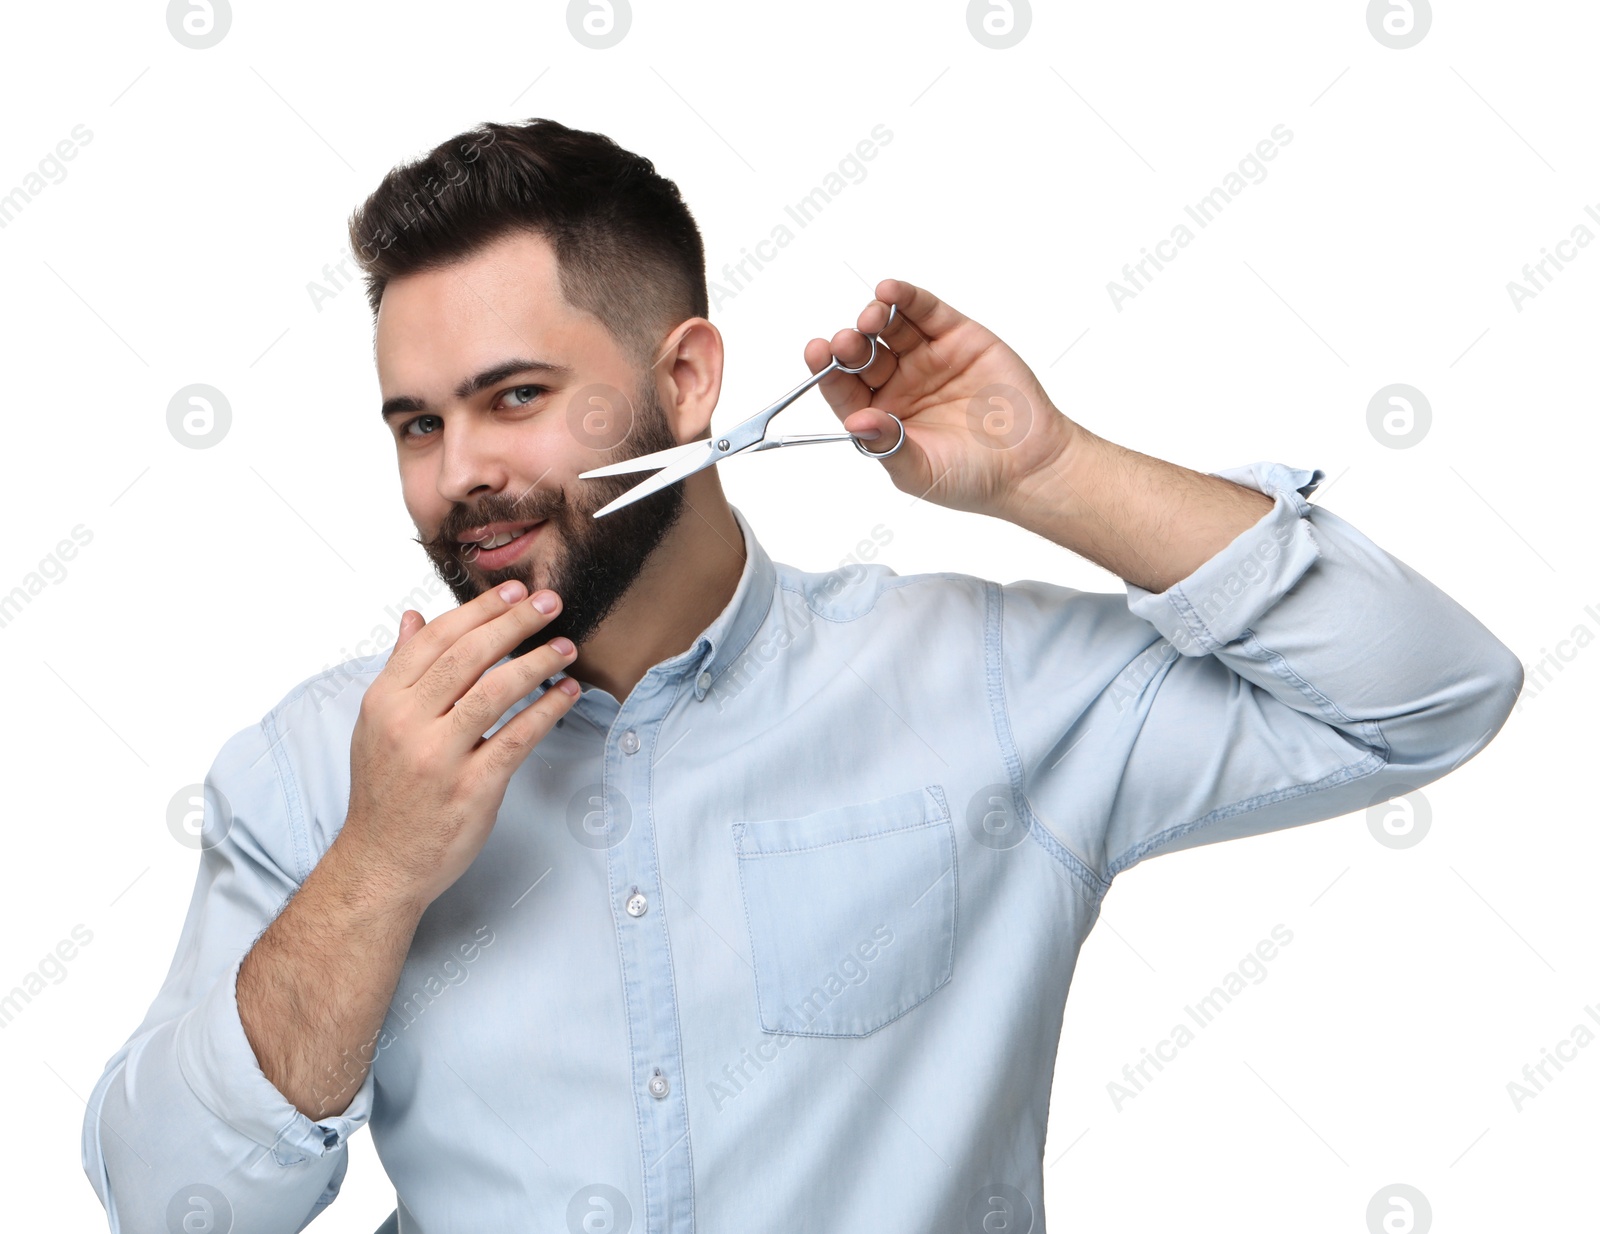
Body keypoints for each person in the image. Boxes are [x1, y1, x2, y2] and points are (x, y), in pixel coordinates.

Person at [81, 118, 1523, 1234]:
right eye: (415, 423)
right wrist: (378, 868)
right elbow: (171, 1201)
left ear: (692, 382)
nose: (461, 476)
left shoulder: (982, 683)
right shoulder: (313, 768)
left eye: (514, 397)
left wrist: (1056, 473)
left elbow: (1429, 692)